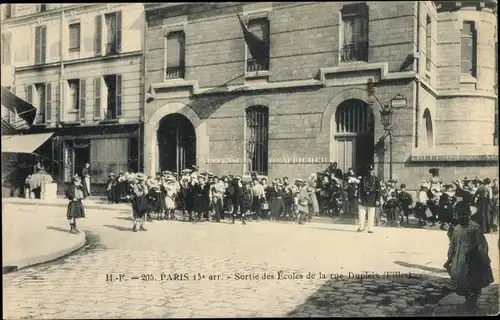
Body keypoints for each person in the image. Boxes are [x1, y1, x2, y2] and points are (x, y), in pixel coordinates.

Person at [444, 201, 494, 314]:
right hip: (460, 260)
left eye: (464, 214)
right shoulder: (457, 228)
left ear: (469, 213)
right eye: (459, 214)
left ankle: (472, 303)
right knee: (462, 281)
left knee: (474, 283)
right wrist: (449, 258)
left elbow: (482, 245)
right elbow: (452, 245)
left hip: (474, 261)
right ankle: (468, 300)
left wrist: (484, 259)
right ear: (456, 215)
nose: (462, 216)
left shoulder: (475, 228)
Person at [357, 165, 381, 233]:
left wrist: (377, 200)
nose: (371, 172)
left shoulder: (376, 179)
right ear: (367, 171)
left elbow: (379, 190)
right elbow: (359, 189)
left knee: (371, 214)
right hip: (363, 198)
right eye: (370, 170)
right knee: (361, 213)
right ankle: (361, 227)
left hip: (372, 198)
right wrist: (359, 197)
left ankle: (370, 228)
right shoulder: (363, 179)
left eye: (372, 170)